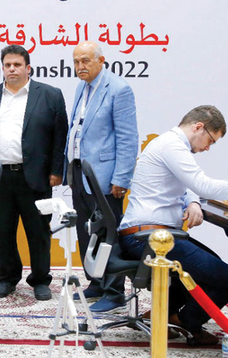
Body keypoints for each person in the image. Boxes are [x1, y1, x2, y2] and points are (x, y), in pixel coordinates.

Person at [120, 106, 228, 345]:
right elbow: (203, 185)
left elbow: (186, 185)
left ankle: (161, 316)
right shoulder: (173, 146)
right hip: (148, 237)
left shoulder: (170, 143)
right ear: (198, 127)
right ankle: (186, 321)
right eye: (211, 141)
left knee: (211, 266)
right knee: (226, 279)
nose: (207, 148)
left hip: (151, 232)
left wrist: (193, 202)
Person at [0, 45, 68, 301]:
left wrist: (57, 170)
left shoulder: (50, 95)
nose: (11, 69)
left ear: (28, 68)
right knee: (3, 230)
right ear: (2, 68)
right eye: (7, 65)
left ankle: (40, 280)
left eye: (17, 65)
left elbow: (60, 136)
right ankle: (7, 278)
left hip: (36, 175)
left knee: (38, 230)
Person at [65, 41, 139, 313]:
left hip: (106, 177)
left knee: (108, 233)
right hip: (80, 172)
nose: (80, 66)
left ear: (101, 60)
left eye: (85, 60)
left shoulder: (119, 89)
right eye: (76, 62)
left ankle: (114, 291)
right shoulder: (81, 87)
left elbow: (128, 138)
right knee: (88, 232)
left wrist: (122, 178)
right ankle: (96, 282)